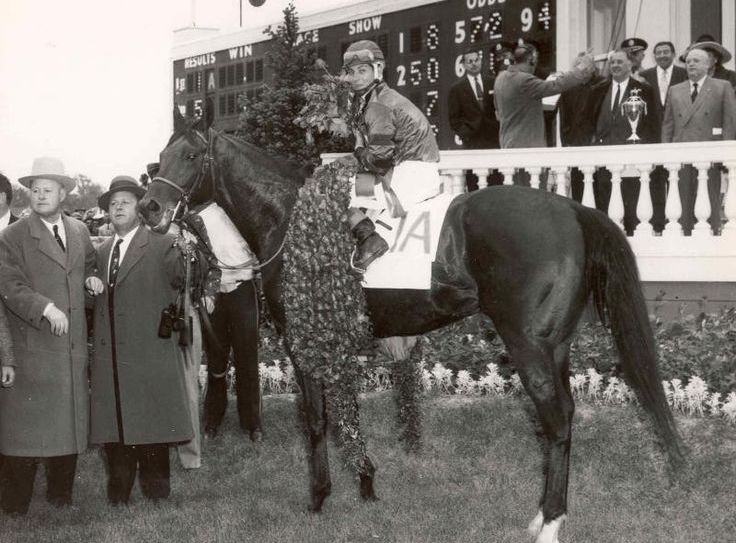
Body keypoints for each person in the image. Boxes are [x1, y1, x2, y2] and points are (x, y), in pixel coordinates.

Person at [0, 157, 97, 515]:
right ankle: (14, 504)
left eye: (48, 189)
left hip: (70, 349)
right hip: (33, 346)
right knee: (23, 432)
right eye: (35, 189)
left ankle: (61, 497)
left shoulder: (79, 231)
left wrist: (92, 281)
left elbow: (88, 267)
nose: (40, 195)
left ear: (63, 193)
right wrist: (45, 307)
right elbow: (8, 284)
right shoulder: (13, 236)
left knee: (67, 427)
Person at [88, 176, 192, 504]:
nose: (118, 207)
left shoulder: (162, 244)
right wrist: (88, 284)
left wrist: (186, 248)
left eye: (126, 202)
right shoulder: (101, 252)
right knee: (116, 427)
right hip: (113, 359)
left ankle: (156, 492)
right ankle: (118, 494)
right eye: (113, 204)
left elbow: (182, 278)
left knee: (152, 425)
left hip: (149, 354)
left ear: (139, 209)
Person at [342, 39, 442, 272]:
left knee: (336, 191)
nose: (356, 77)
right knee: (354, 184)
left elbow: (379, 159)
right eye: (351, 72)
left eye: (362, 70)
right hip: (410, 168)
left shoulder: (378, 105)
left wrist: (358, 148)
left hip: (411, 173)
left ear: (378, 69)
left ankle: (371, 243)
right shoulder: (377, 97)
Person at [577, 49, 660, 235]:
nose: (615, 65)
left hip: (632, 158)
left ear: (630, 65)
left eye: (620, 62)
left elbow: (653, 125)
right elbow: (586, 121)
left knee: (631, 203)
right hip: (604, 157)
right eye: (612, 62)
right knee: (605, 205)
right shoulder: (597, 91)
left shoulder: (644, 90)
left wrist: (650, 154)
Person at [662, 48, 736, 234]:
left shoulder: (722, 86)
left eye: (696, 61)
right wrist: (665, 153)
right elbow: (668, 124)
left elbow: (729, 121)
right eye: (688, 62)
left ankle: (711, 233)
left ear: (708, 64)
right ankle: (684, 236)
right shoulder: (675, 90)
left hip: (709, 152)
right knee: (683, 199)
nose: (691, 64)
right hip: (681, 152)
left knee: (709, 197)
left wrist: (726, 154)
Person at [493, 42, 593, 149]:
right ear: (531, 60)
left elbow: (500, 112)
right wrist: (581, 68)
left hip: (507, 144)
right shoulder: (524, 80)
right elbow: (555, 85)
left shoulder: (500, 79)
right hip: (527, 147)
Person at [639, 41, 688, 232]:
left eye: (666, 52)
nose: (662, 55)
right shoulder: (645, 76)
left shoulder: (683, 74)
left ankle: (681, 221)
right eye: (658, 53)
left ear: (674, 54)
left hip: (676, 133)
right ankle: (659, 222)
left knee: (676, 179)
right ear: (654, 56)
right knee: (656, 180)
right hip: (651, 134)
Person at [447, 47, 502, 190]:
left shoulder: (493, 82)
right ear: (464, 65)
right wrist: (466, 134)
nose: (473, 63)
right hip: (472, 142)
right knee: (474, 185)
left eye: (476, 60)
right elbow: (454, 119)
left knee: (495, 183)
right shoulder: (457, 88)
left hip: (493, 140)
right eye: (469, 61)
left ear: (481, 61)